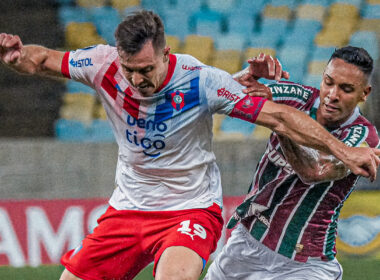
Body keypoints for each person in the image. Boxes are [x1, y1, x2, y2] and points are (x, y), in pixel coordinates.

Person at [0, 10, 379, 280]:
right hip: (141, 211)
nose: (137, 79)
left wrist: (347, 152)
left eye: (147, 70)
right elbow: (45, 59)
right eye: (129, 69)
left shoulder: (200, 79)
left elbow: (291, 134)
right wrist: (18, 58)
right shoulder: (101, 64)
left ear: (166, 54)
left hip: (196, 212)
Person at [205, 46, 380, 280]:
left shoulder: (364, 138)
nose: (333, 94)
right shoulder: (295, 96)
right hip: (245, 245)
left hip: (306, 265)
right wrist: (247, 75)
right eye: (329, 82)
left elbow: (315, 170)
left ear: (364, 93)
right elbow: (215, 96)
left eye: (346, 89)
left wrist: (280, 122)